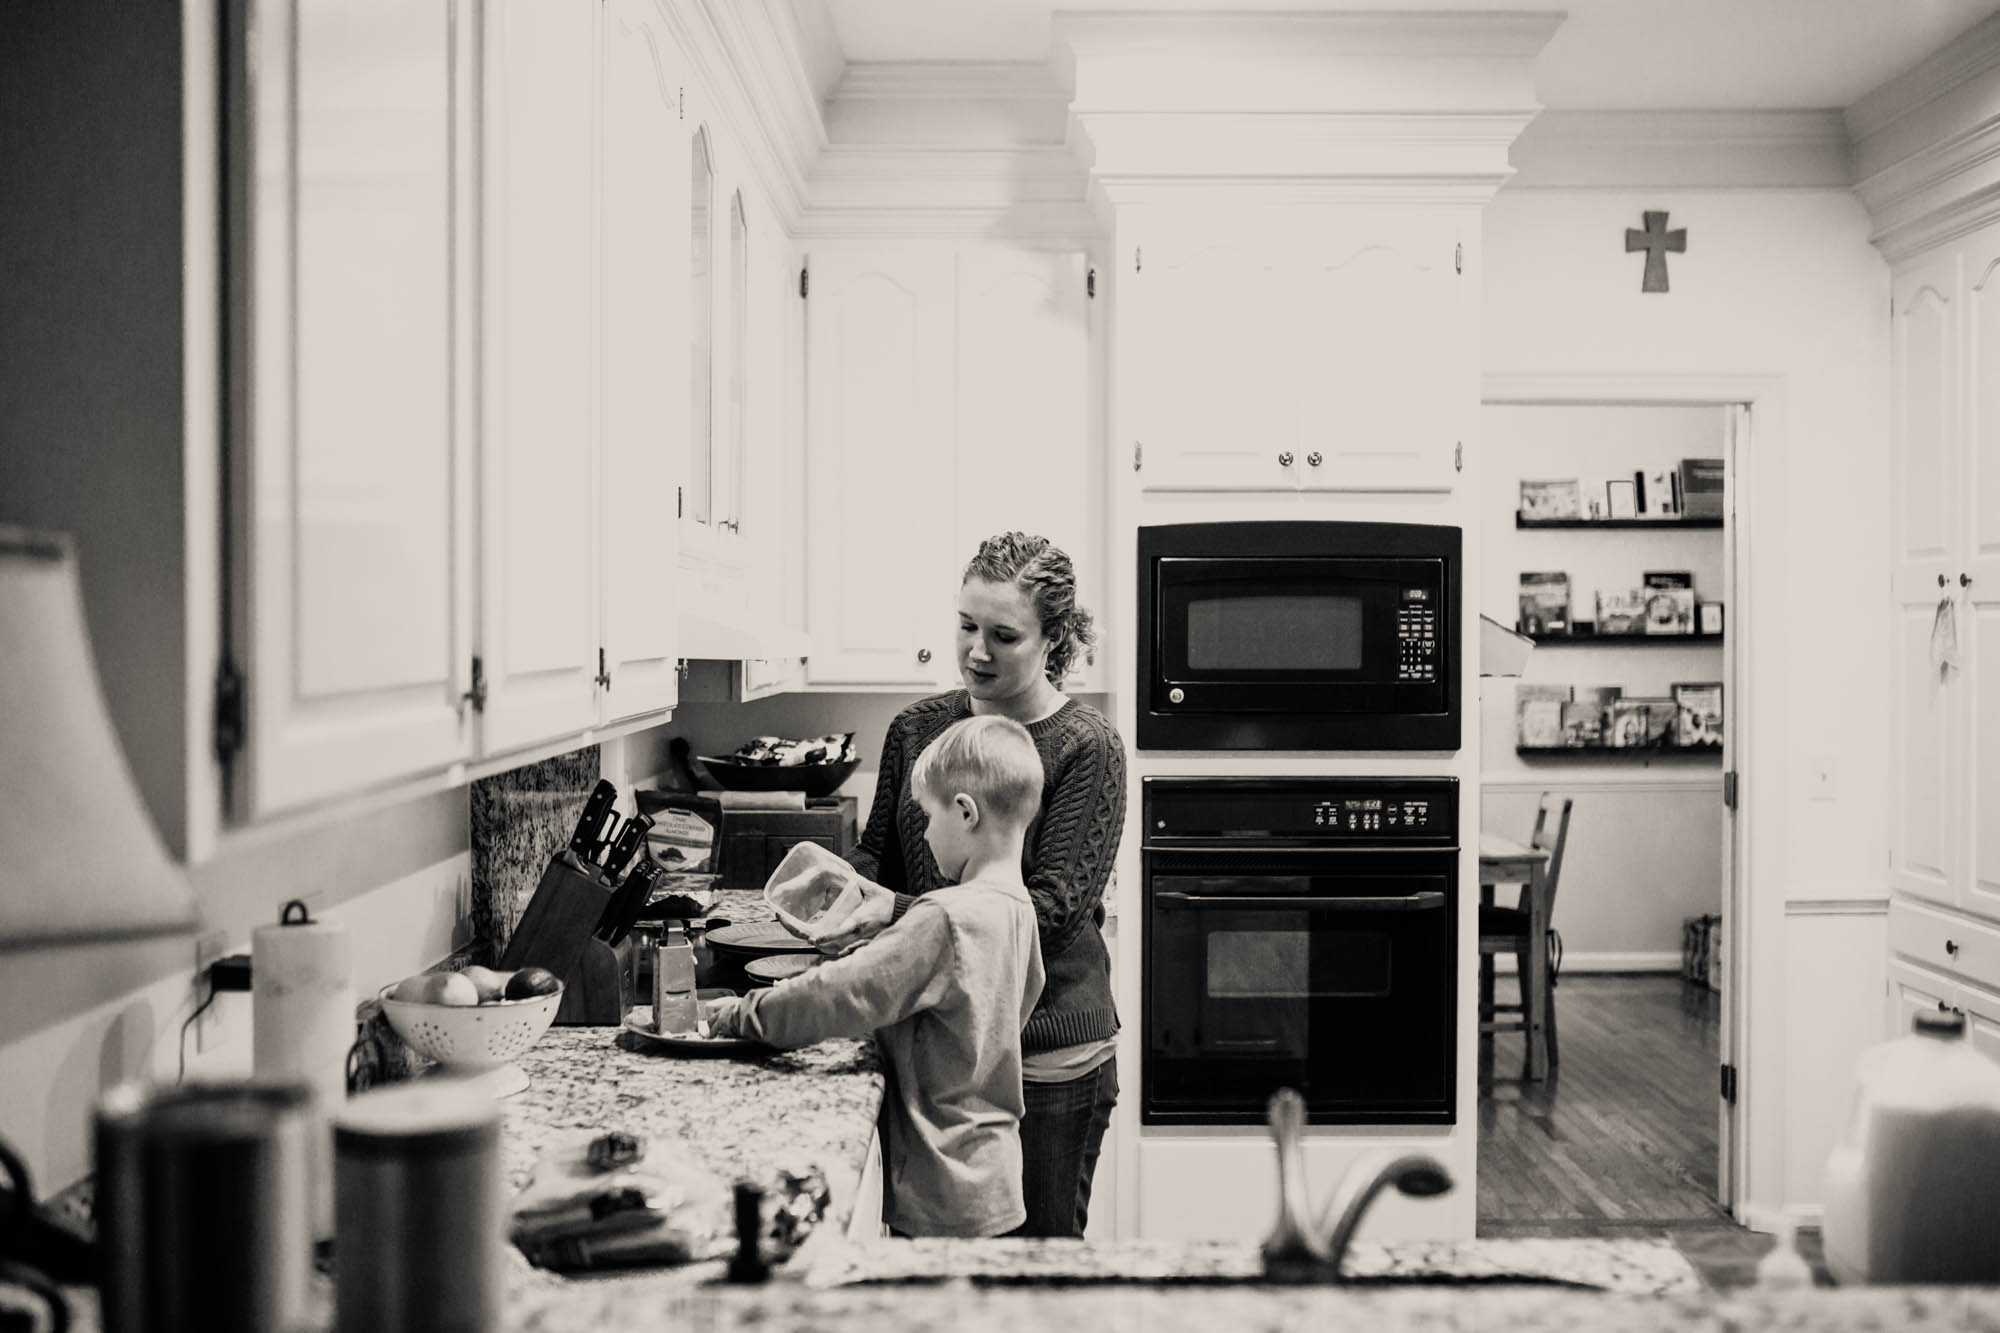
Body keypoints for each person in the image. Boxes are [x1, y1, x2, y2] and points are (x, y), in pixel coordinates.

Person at [810, 531, 1127, 1238]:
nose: (977, 650)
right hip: (934, 1048)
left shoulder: (1087, 747)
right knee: (941, 1289)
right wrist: (839, 884)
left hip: (1044, 1058)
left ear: (1054, 640)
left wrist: (890, 909)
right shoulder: (917, 727)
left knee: (1033, 1285)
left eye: (1003, 634)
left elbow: (1048, 913)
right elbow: (882, 860)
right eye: (966, 626)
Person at [701, 715, 1046, 1238]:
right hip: (992, 1168)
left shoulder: (946, 915)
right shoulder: (1016, 907)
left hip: (941, 1181)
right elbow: (1009, 993)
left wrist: (738, 1015)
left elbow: (838, 995)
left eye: (928, 818)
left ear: (965, 812)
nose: (925, 835)